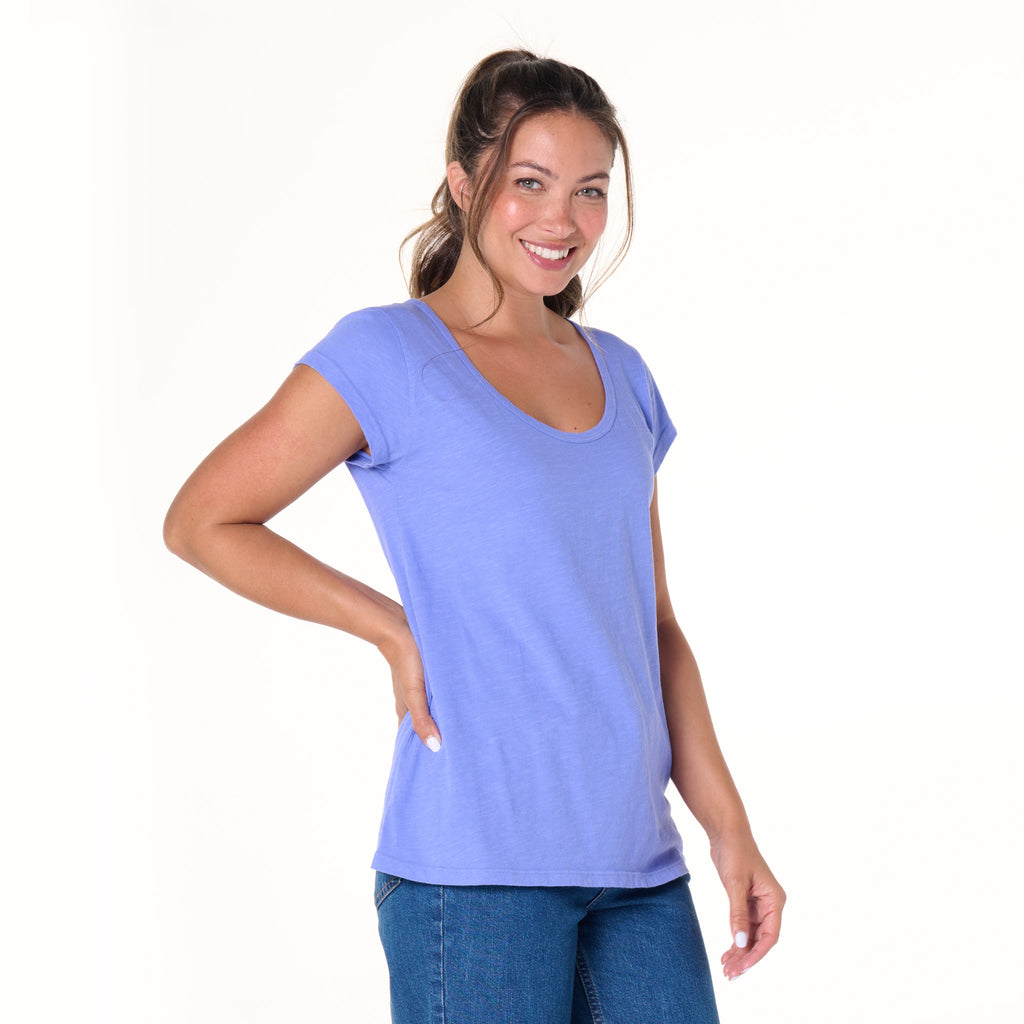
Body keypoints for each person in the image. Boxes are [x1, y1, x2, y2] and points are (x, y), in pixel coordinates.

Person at [164, 48, 785, 1024]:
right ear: (463, 185)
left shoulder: (622, 375)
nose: (561, 220)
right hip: (472, 873)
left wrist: (728, 827)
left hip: (638, 869)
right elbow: (203, 520)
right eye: (528, 182)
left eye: (589, 190)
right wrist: (389, 627)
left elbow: (653, 629)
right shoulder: (388, 354)